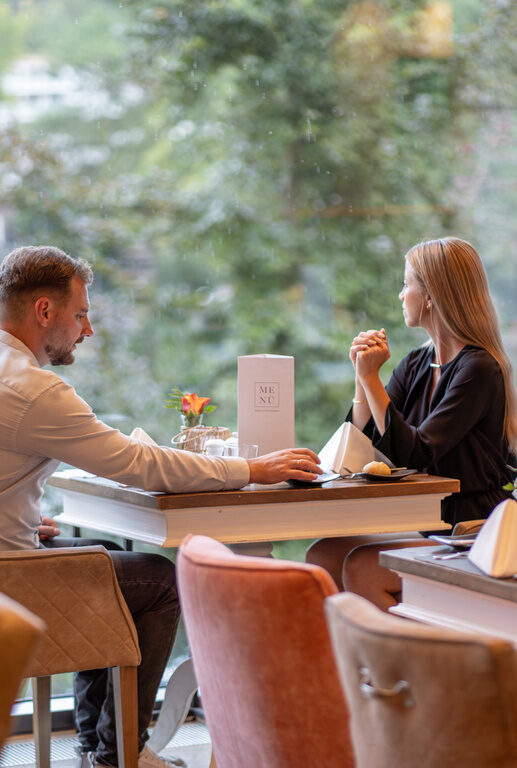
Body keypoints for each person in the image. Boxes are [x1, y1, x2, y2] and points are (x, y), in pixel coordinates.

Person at [0, 245, 321, 768]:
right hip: (11, 578)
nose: (88, 330)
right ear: (44, 311)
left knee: (103, 552)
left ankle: (94, 743)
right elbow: (138, 464)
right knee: (154, 579)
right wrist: (252, 470)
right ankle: (120, 749)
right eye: (81, 314)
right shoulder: (34, 390)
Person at [306, 236, 517, 609]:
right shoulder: (417, 363)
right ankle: (346, 665)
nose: (401, 295)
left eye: (407, 284)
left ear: (432, 295)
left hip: (469, 527)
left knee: (363, 567)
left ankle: (395, 667)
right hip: (424, 516)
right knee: (322, 557)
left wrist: (373, 380)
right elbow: (362, 446)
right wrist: (361, 379)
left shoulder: (480, 368)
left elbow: (417, 452)